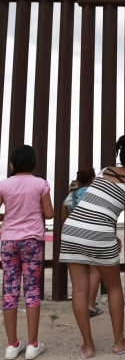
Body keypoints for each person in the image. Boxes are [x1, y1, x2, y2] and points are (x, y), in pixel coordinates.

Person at [59, 135, 125, 359]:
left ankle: (88, 347)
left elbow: (99, 204)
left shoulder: (104, 171)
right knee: (114, 288)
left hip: (71, 229)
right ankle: (119, 342)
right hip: (100, 233)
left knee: (79, 290)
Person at [0, 145, 54, 360]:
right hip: (32, 241)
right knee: (32, 291)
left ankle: (12, 345)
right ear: (33, 163)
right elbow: (49, 214)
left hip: (9, 241)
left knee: (10, 291)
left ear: (12, 164)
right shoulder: (40, 183)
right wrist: (35, 210)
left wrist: (9, 215)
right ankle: (32, 345)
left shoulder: (4, 184)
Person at [62, 167, 103, 317]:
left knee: (79, 275)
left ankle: (81, 305)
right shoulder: (97, 195)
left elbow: (63, 218)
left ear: (79, 181)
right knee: (95, 270)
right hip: (93, 235)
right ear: (93, 179)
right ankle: (90, 304)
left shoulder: (70, 196)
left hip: (73, 236)